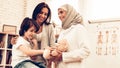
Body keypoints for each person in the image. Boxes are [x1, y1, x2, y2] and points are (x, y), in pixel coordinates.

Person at [54, 4, 91, 68]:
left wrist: (63, 56)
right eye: (58, 14)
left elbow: (86, 51)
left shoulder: (79, 28)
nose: (59, 16)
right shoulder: (63, 31)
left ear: (69, 13)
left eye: (61, 12)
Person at [32, 2, 55, 67]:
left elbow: (52, 46)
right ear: (36, 12)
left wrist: (49, 64)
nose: (43, 16)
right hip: (30, 60)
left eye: (45, 14)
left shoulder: (49, 27)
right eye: (41, 13)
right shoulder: (29, 25)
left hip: (44, 62)